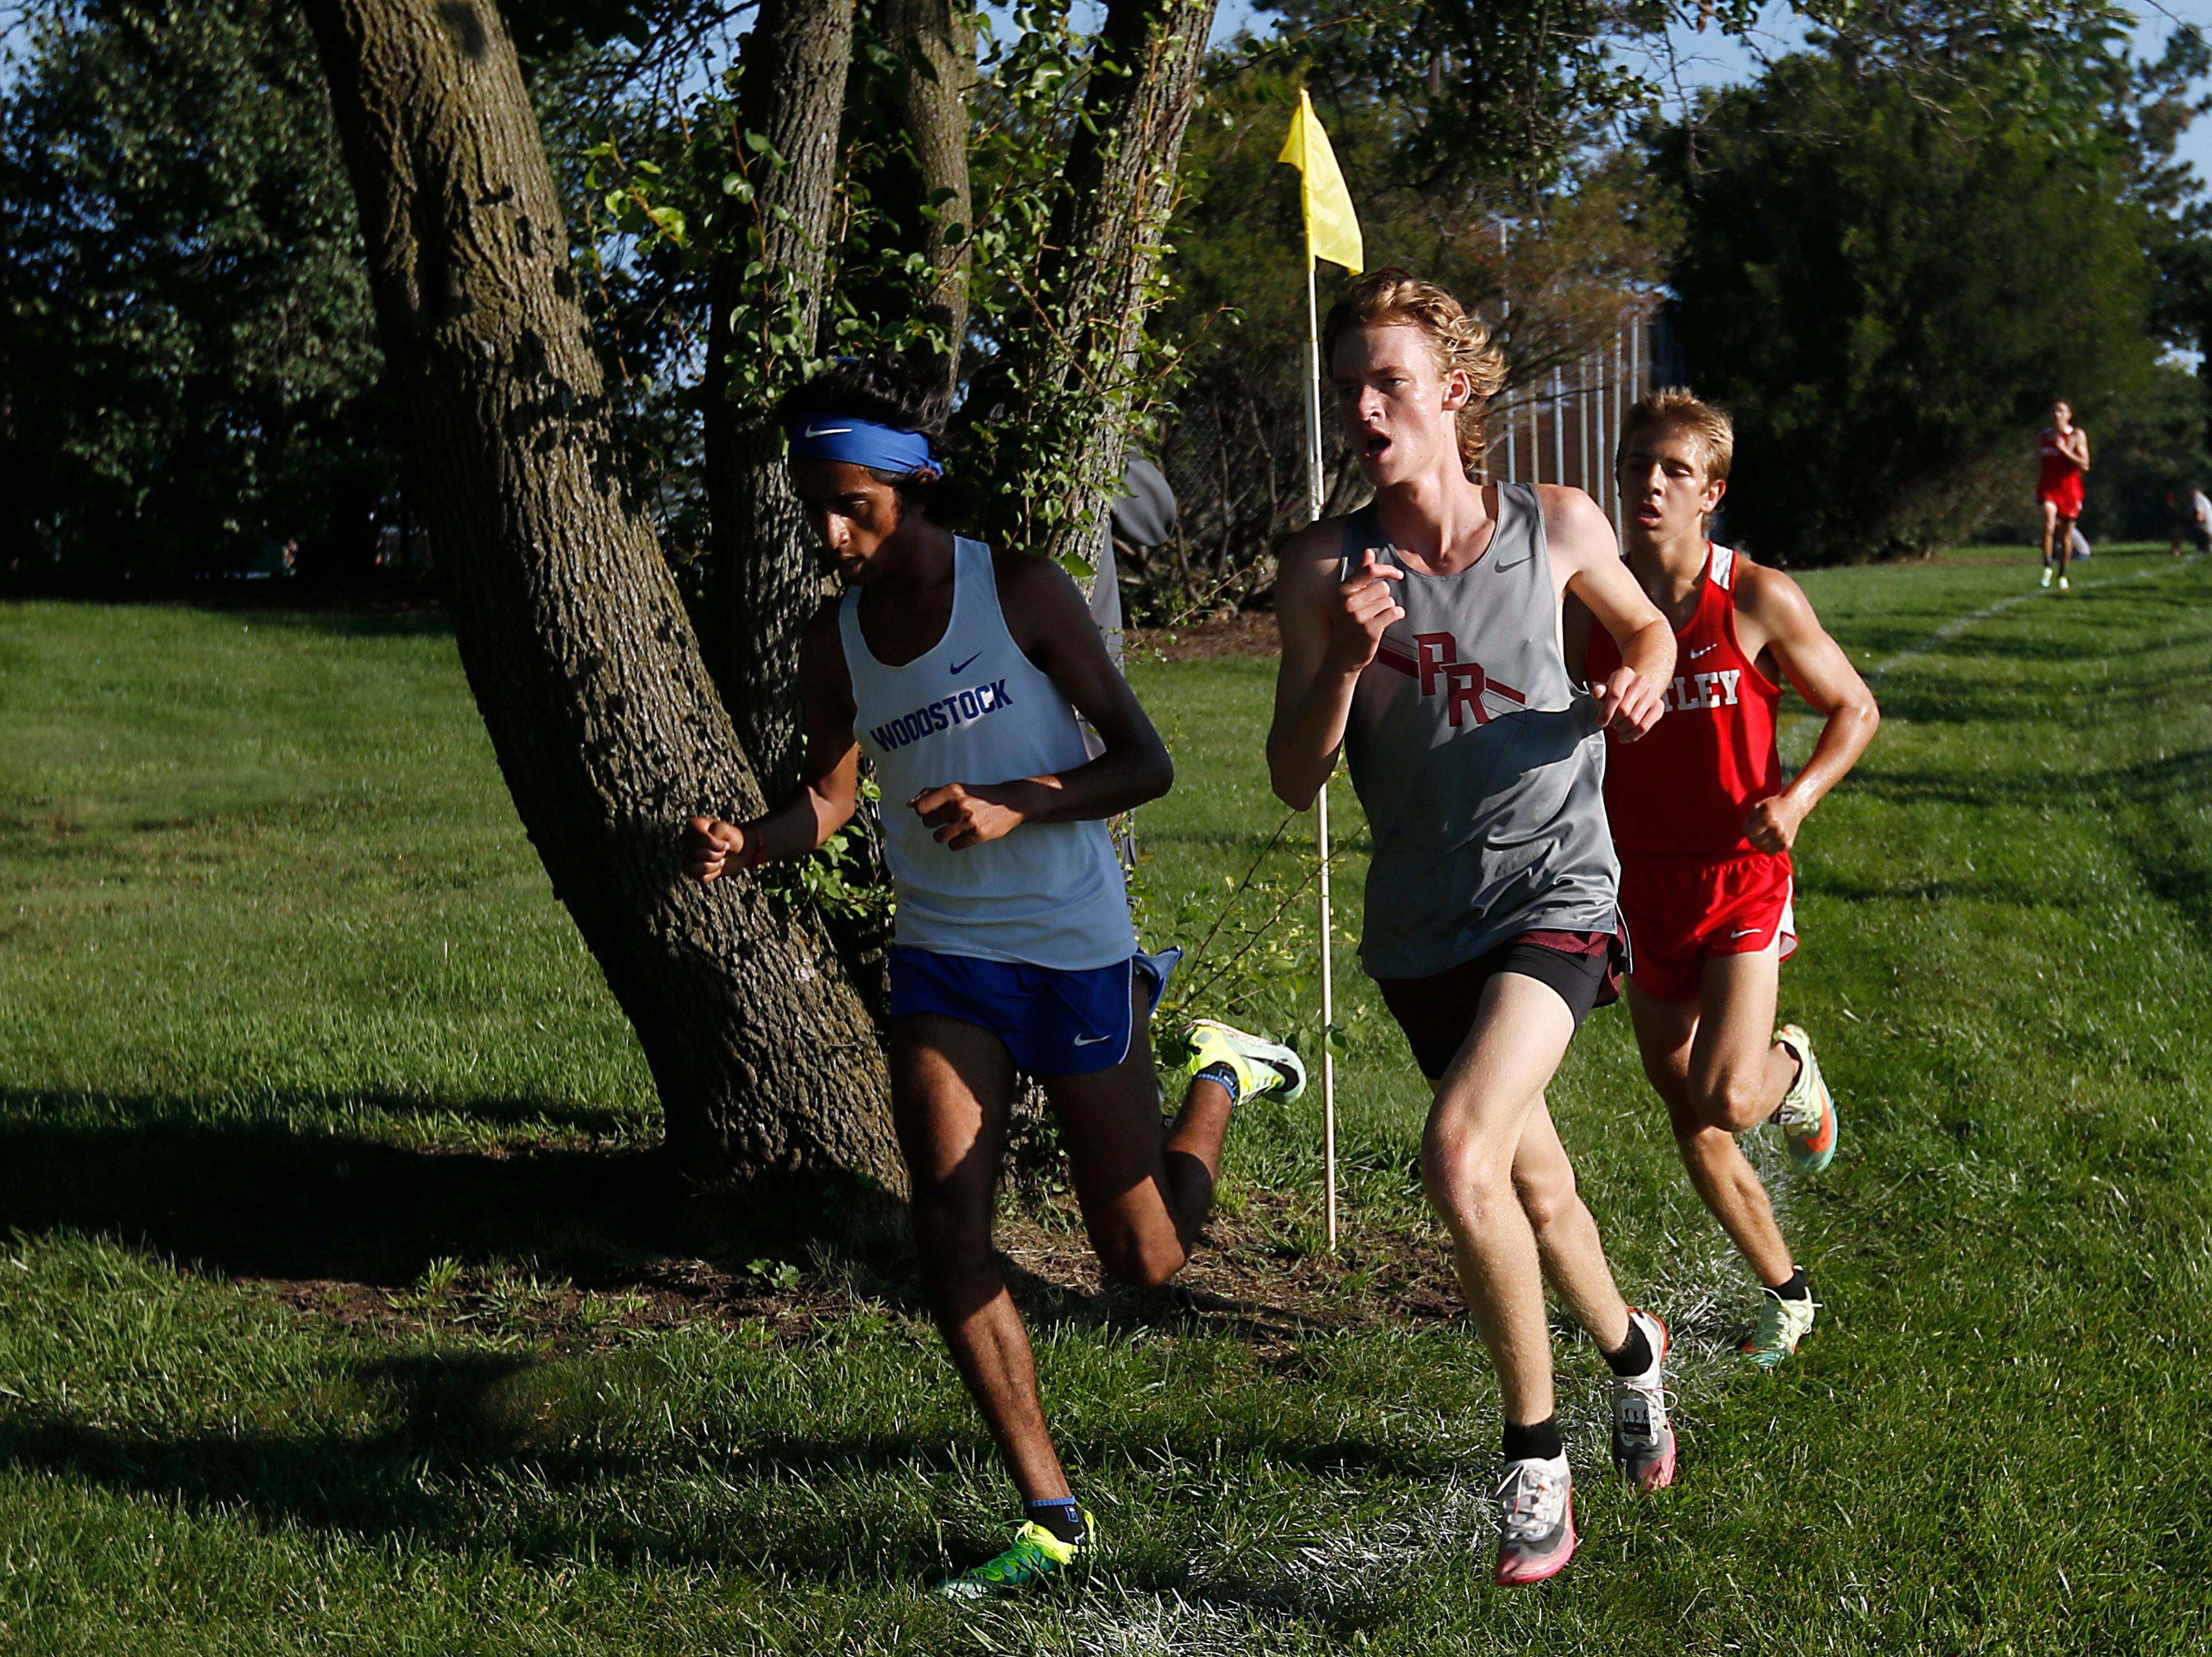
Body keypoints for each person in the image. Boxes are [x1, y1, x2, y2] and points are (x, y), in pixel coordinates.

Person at [681, 357, 1306, 1598]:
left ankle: (1222, 1074)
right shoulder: (834, 639)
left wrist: (1020, 802)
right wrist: (754, 840)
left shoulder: (1016, 590)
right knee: (945, 1226)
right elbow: (831, 794)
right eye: (812, 502)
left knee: (1145, 1261)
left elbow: (1145, 761)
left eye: (851, 501)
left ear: (913, 484)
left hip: (1071, 948)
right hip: (945, 959)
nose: (829, 531)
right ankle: (1049, 1510)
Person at [1267, 270, 1679, 1588]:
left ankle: (1535, 1460)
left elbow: (1651, 629)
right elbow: (1290, 775)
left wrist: (1639, 682)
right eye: (1351, 389)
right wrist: (1339, 656)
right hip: (1422, 926)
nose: (1365, 406)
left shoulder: (1552, 522)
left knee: (1458, 1157)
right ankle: (1635, 1352)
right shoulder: (1324, 566)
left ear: (1451, 392)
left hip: (1557, 891)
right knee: (1536, 1189)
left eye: (1387, 381)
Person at [1574, 390, 1880, 1371]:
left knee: (1731, 1097)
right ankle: (1787, 1294)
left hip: (1741, 878)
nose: (1648, 485)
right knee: (1690, 1115)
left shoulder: (1753, 595)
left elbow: (1855, 710)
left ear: (1712, 489)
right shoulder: (1591, 605)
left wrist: (1795, 801)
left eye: (1672, 470)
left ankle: (1790, 1069)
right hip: (1639, 888)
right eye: (1635, 466)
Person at [2036, 400, 2090, 590]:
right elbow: (2040, 461)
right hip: (2049, 487)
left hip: (2070, 491)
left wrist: (2065, 451)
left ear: (2069, 415)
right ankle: (2047, 567)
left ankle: (2063, 573)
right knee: (2049, 524)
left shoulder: (2076, 435)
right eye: (2053, 411)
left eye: (2060, 411)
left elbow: (2085, 465)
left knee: (2066, 534)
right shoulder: (2044, 436)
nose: (2056, 415)